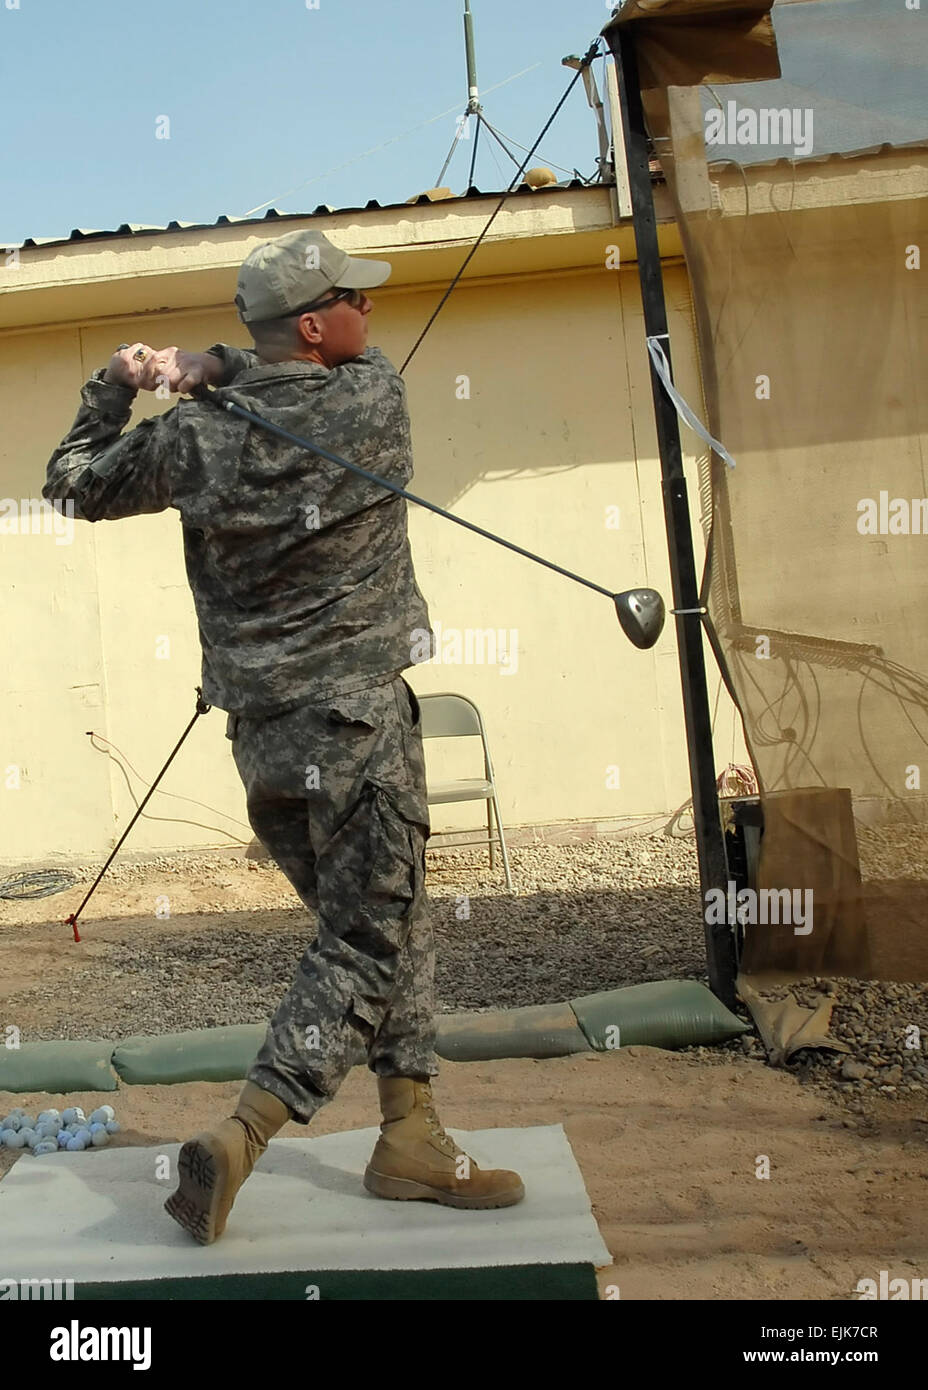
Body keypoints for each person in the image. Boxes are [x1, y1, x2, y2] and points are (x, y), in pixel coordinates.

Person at [42, 227, 524, 1245]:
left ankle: (410, 1134)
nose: (370, 309)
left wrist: (124, 381)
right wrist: (212, 368)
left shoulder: (192, 440)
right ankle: (242, 1135)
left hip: (263, 744)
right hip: (356, 729)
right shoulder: (369, 401)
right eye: (353, 297)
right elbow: (356, 365)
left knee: (388, 920)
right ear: (313, 325)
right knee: (365, 934)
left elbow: (72, 482)